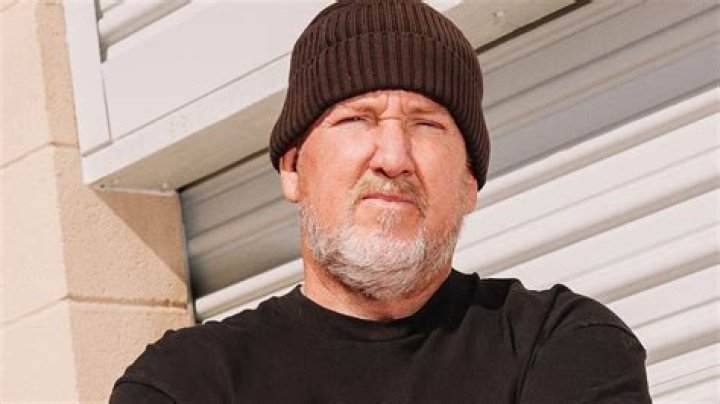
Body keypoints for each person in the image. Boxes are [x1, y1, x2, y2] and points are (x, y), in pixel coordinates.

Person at [110, 1, 651, 402]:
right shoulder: (185, 382)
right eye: (356, 119)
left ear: (469, 183)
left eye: (426, 124)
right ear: (293, 170)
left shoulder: (558, 342)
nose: (393, 157)